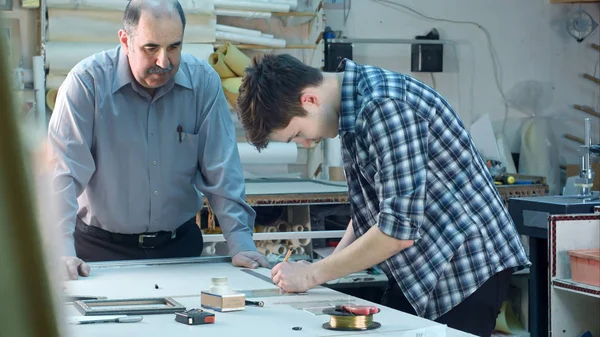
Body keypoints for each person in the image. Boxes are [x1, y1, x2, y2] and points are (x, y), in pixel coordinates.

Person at [236, 54, 531, 336]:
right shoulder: (353, 111)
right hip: (425, 265)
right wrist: (322, 273)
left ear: (309, 100)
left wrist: (313, 274)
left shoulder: (383, 107)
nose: (306, 143)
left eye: (296, 134)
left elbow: (396, 231)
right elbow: (374, 208)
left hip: (467, 266)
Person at [47, 0, 268, 280]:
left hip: (180, 248)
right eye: (151, 48)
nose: (164, 62)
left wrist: (241, 244)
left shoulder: (203, 84)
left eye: (174, 47)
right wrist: (61, 252)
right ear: (125, 40)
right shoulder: (86, 84)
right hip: (99, 252)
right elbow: (62, 175)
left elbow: (223, 170)